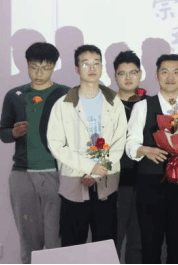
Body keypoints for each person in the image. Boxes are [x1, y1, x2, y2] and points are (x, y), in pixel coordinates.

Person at [47, 45, 128, 247]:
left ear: (102, 67)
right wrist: (89, 167)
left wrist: (99, 170)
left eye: (96, 63)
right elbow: (56, 145)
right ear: (77, 68)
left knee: (105, 245)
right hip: (74, 183)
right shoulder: (62, 104)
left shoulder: (114, 102)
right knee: (72, 246)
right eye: (85, 64)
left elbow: (119, 142)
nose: (92, 68)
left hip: (106, 183)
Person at [0, 42, 69, 264]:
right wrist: (13, 132)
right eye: (34, 67)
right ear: (27, 64)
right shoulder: (14, 95)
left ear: (54, 66)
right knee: (28, 238)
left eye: (45, 68)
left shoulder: (66, 94)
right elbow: (3, 133)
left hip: (57, 173)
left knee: (56, 238)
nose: (39, 74)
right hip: (22, 174)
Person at [125, 54, 178, 264]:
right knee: (150, 243)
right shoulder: (142, 107)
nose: (170, 77)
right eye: (165, 72)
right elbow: (130, 143)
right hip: (150, 183)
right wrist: (145, 150)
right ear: (156, 75)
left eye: (176, 72)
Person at [113, 50, 146, 264]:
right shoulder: (106, 104)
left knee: (138, 242)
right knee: (112, 239)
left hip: (145, 182)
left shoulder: (150, 104)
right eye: (122, 73)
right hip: (115, 182)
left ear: (140, 74)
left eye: (133, 72)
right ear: (115, 76)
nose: (128, 78)